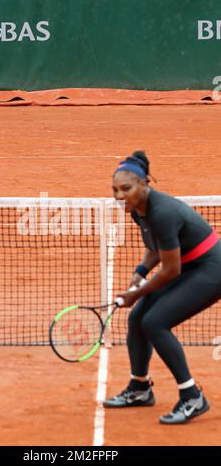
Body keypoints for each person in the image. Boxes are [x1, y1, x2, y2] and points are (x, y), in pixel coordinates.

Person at [103, 151, 221, 424]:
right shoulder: (137, 210)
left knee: (155, 321)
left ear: (144, 184)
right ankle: (140, 388)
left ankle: (192, 396)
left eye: (126, 188)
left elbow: (171, 270)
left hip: (211, 270)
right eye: (115, 190)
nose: (119, 196)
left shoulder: (162, 212)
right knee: (137, 319)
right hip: (189, 266)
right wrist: (139, 273)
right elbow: (156, 250)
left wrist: (135, 293)